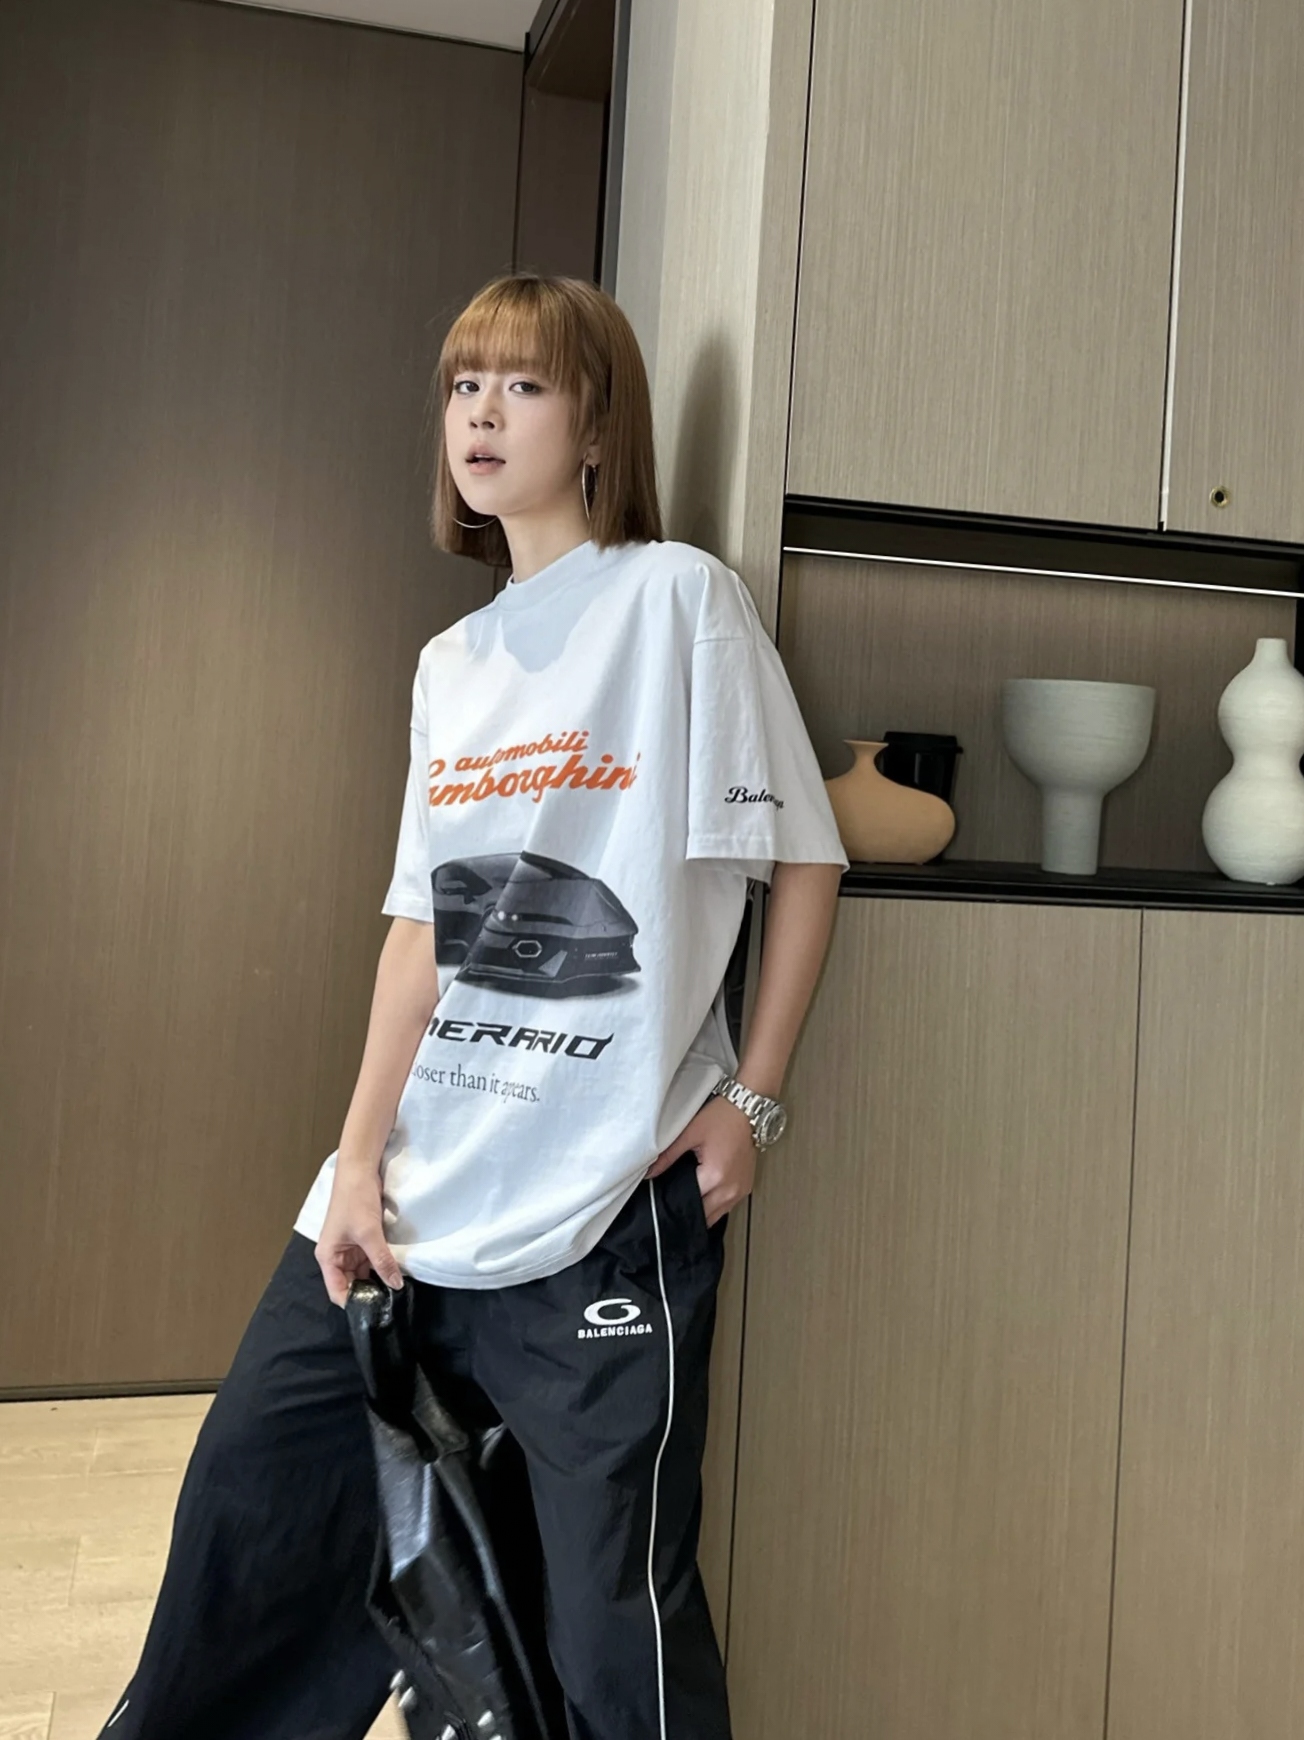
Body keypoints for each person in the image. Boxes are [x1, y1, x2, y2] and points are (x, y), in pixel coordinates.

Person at [96, 274, 848, 1740]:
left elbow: (804, 862)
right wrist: (353, 1163)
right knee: (249, 1530)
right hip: (412, 1192)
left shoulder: (677, 601)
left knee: (609, 1629)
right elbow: (419, 935)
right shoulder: (455, 663)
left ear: (599, 425)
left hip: (599, 1206)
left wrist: (753, 1100)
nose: (482, 415)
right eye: (462, 386)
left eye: (524, 384)